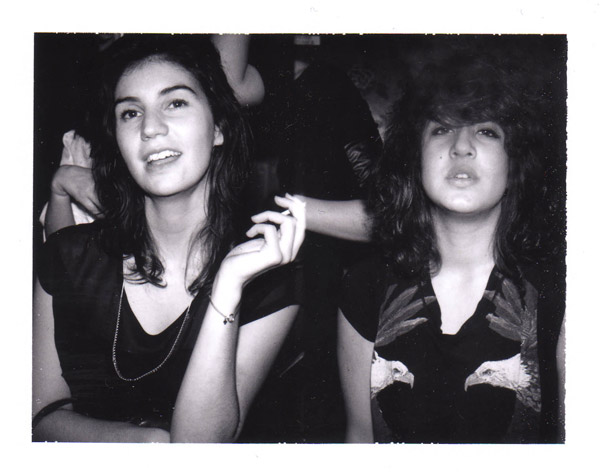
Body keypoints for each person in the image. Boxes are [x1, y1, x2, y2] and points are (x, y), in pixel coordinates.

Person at [32, 34, 305, 443]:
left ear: (218, 128)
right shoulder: (67, 254)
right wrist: (144, 443)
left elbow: (201, 447)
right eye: (130, 113)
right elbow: (37, 418)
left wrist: (228, 287)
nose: (150, 128)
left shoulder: (268, 277)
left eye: (175, 103)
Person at [337, 47, 566, 443]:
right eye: (441, 129)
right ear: (415, 158)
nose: (461, 146)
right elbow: (359, 442)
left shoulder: (563, 292)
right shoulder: (364, 285)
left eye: (486, 131)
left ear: (515, 163)